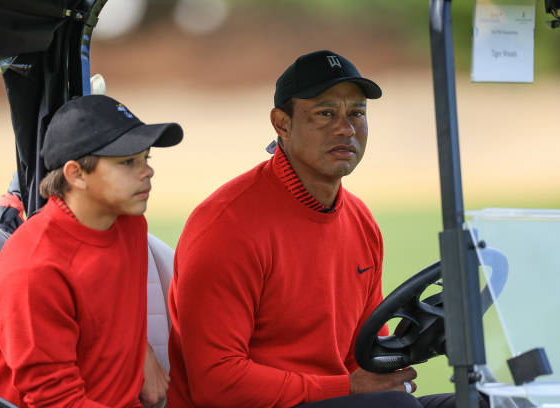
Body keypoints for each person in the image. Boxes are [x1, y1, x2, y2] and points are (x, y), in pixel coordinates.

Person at [166, 50, 488, 408]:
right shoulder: (227, 226)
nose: (345, 129)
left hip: (334, 398)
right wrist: (347, 388)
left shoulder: (360, 220)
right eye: (325, 113)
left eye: (357, 114)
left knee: (487, 402)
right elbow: (217, 386)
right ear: (282, 124)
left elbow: (365, 355)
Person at [0, 94, 183, 408]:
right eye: (128, 162)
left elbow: (105, 313)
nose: (147, 172)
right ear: (75, 174)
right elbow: (56, 402)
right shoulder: (35, 270)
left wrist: (143, 353)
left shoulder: (128, 225)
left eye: (146, 158)